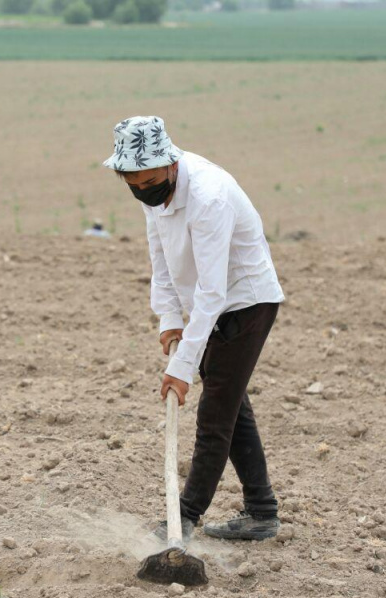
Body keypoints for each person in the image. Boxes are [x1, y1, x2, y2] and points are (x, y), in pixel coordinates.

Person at [102, 116, 286, 542]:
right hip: (211, 303)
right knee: (232, 406)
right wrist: (169, 321)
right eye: (134, 184)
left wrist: (182, 368)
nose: (144, 192)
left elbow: (211, 290)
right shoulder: (152, 196)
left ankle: (182, 517)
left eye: (150, 182)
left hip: (246, 301)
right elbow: (161, 261)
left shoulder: (208, 198)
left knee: (215, 415)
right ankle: (261, 512)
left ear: (170, 164)